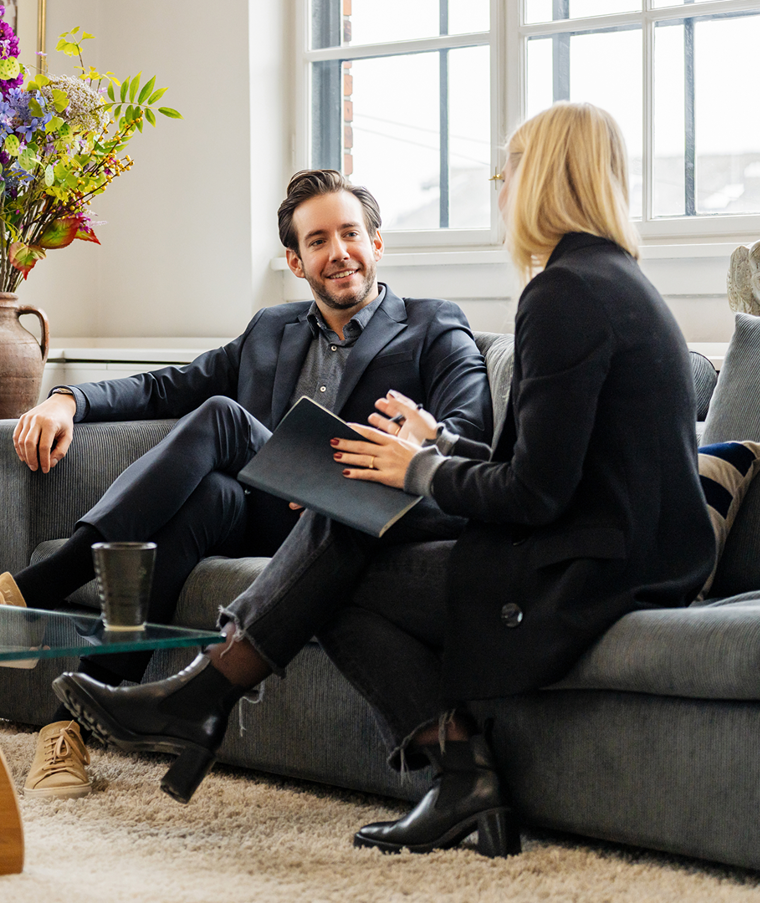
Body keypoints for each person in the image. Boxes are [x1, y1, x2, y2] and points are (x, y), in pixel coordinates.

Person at [51, 103, 715, 857]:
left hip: (587, 570)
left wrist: (420, 466)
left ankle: (212, 697)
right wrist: (439, 442)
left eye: (510, 172)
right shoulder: (607, 281)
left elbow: (535, 494)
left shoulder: (563, 293)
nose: (501, 192)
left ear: (545, 179)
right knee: (348, 520)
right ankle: (431, 767)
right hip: (619, 553)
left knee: (340, 540)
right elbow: (541, 464)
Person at [0, 169, 493, 800]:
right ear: (296, 259)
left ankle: (36, 588)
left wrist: (351, 464)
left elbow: (464, 432)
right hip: (271, 513)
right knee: (205, 500)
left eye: (350, 234)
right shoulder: (271, 330)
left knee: (224, 418)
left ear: (376, 242)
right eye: (318, 240)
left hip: (354, 522)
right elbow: (165, 387)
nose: (338, 251)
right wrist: (68, 398)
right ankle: (68, 731)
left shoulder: (431, 325)